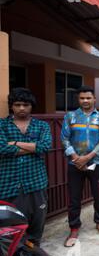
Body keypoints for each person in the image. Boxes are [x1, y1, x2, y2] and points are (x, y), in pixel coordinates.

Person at [0, 88, 52, 246]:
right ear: (11, 106)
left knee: (37, 219)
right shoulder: (2, 125)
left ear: (31, 106)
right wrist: (32, 147)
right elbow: (2, 148)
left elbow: (44, 147)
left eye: (26, 104)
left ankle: (33, 251)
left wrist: (15, 143)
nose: (21, 108)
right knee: (11, 223)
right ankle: (15, 253)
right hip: (8, 183)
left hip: (36, 181)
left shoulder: (41, 126)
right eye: (17, 104)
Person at [61, 86, 99, 247]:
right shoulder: (71, 117)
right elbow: (65, 139)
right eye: (82, 98)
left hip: (96, 163)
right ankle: (74, 227)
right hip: (74, 164)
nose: (85, 101)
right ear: (78, 99)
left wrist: (87, 157)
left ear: (94, 99)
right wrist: (76, 158)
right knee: (74, 198)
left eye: (88, 98)